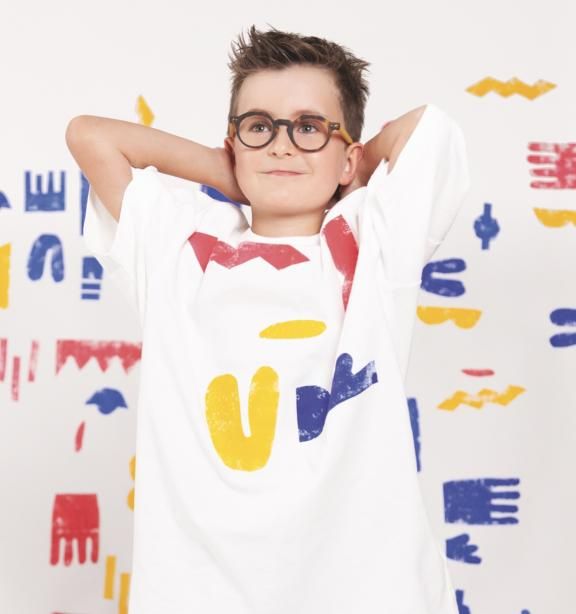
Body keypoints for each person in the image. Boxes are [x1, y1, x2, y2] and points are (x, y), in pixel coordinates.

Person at [66, 25, 470, 614]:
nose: (282, 146)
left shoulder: (373, 244)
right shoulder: (179, 246)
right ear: (234, 142)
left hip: (364, 591)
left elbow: (428, 128)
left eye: (308, 127)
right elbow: (90, 136)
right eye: (260, 127)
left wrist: (355, 173)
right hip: (202, 593)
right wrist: (223, 171)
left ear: (348, 154)